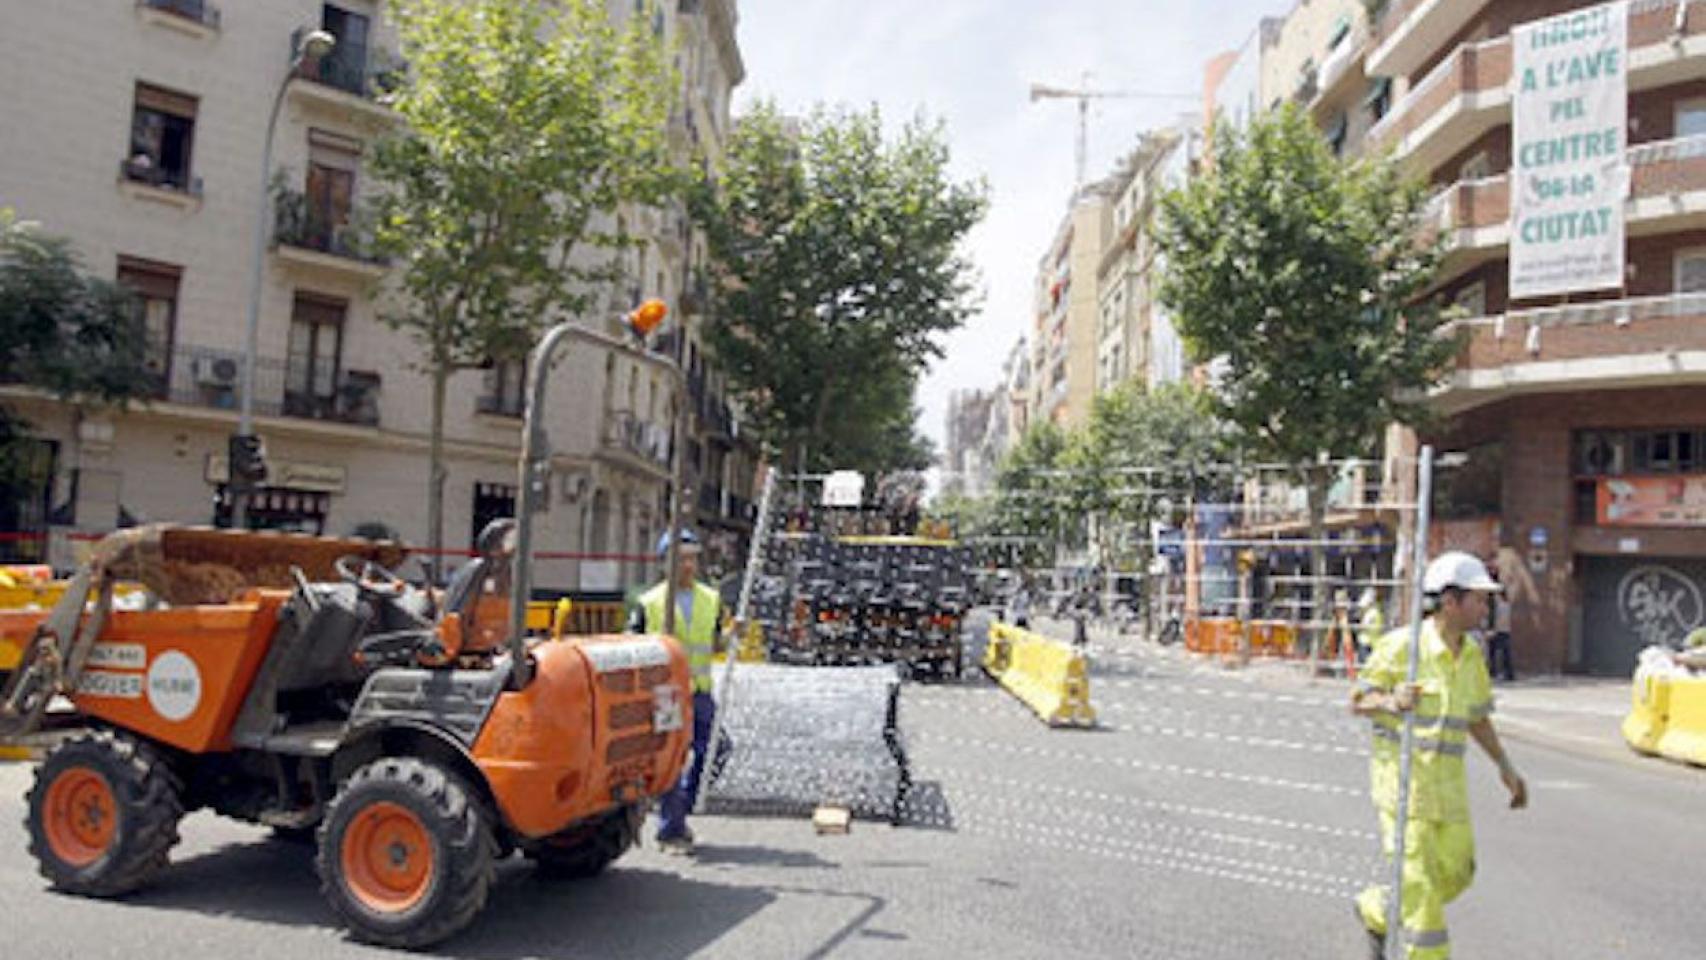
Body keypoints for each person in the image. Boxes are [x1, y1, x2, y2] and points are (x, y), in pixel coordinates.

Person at [1350, 551, 1528, 959]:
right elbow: (1358, 700)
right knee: (1421, 892)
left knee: (1456, 873)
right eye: (1479, 599)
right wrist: (1391, 700)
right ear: (1450, 601)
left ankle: (1376, 909)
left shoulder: (1472, 656)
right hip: (1403, 789)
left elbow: (1477, 719)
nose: (1486, 607)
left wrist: (1506, 768)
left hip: (1448, 794)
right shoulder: (1402, 647)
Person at [630, 527, 721, 854]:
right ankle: (671, 828)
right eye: (680, 560)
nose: (688, 566)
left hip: (699, 692)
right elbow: (634, 646)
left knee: (715, 749)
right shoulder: (649, 602)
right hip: (665, 694)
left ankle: (684, 802)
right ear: (664, 564)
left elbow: (717, 638)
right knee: (671, 758)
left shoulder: (711, 599)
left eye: (692, 559)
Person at [1486, 586, 1515, 683]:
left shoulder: (1500, 606)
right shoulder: (1507, 605)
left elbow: (1498, 619)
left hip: (1499, 631)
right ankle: (1508, 673)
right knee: (1506, 653)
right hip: (1506, 631)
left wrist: (1493, 630)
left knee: (1493, 652)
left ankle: (1493, 671)